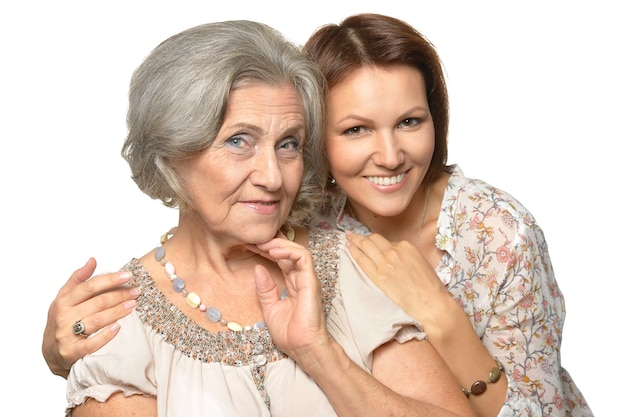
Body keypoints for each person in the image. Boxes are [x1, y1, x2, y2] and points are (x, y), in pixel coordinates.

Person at [43, 13, 593, 417]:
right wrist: (57, 353)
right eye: (239, 141)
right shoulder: (309, 220)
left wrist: (434, 317)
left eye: (287, 145)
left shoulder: (486, 232)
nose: (389, 155)